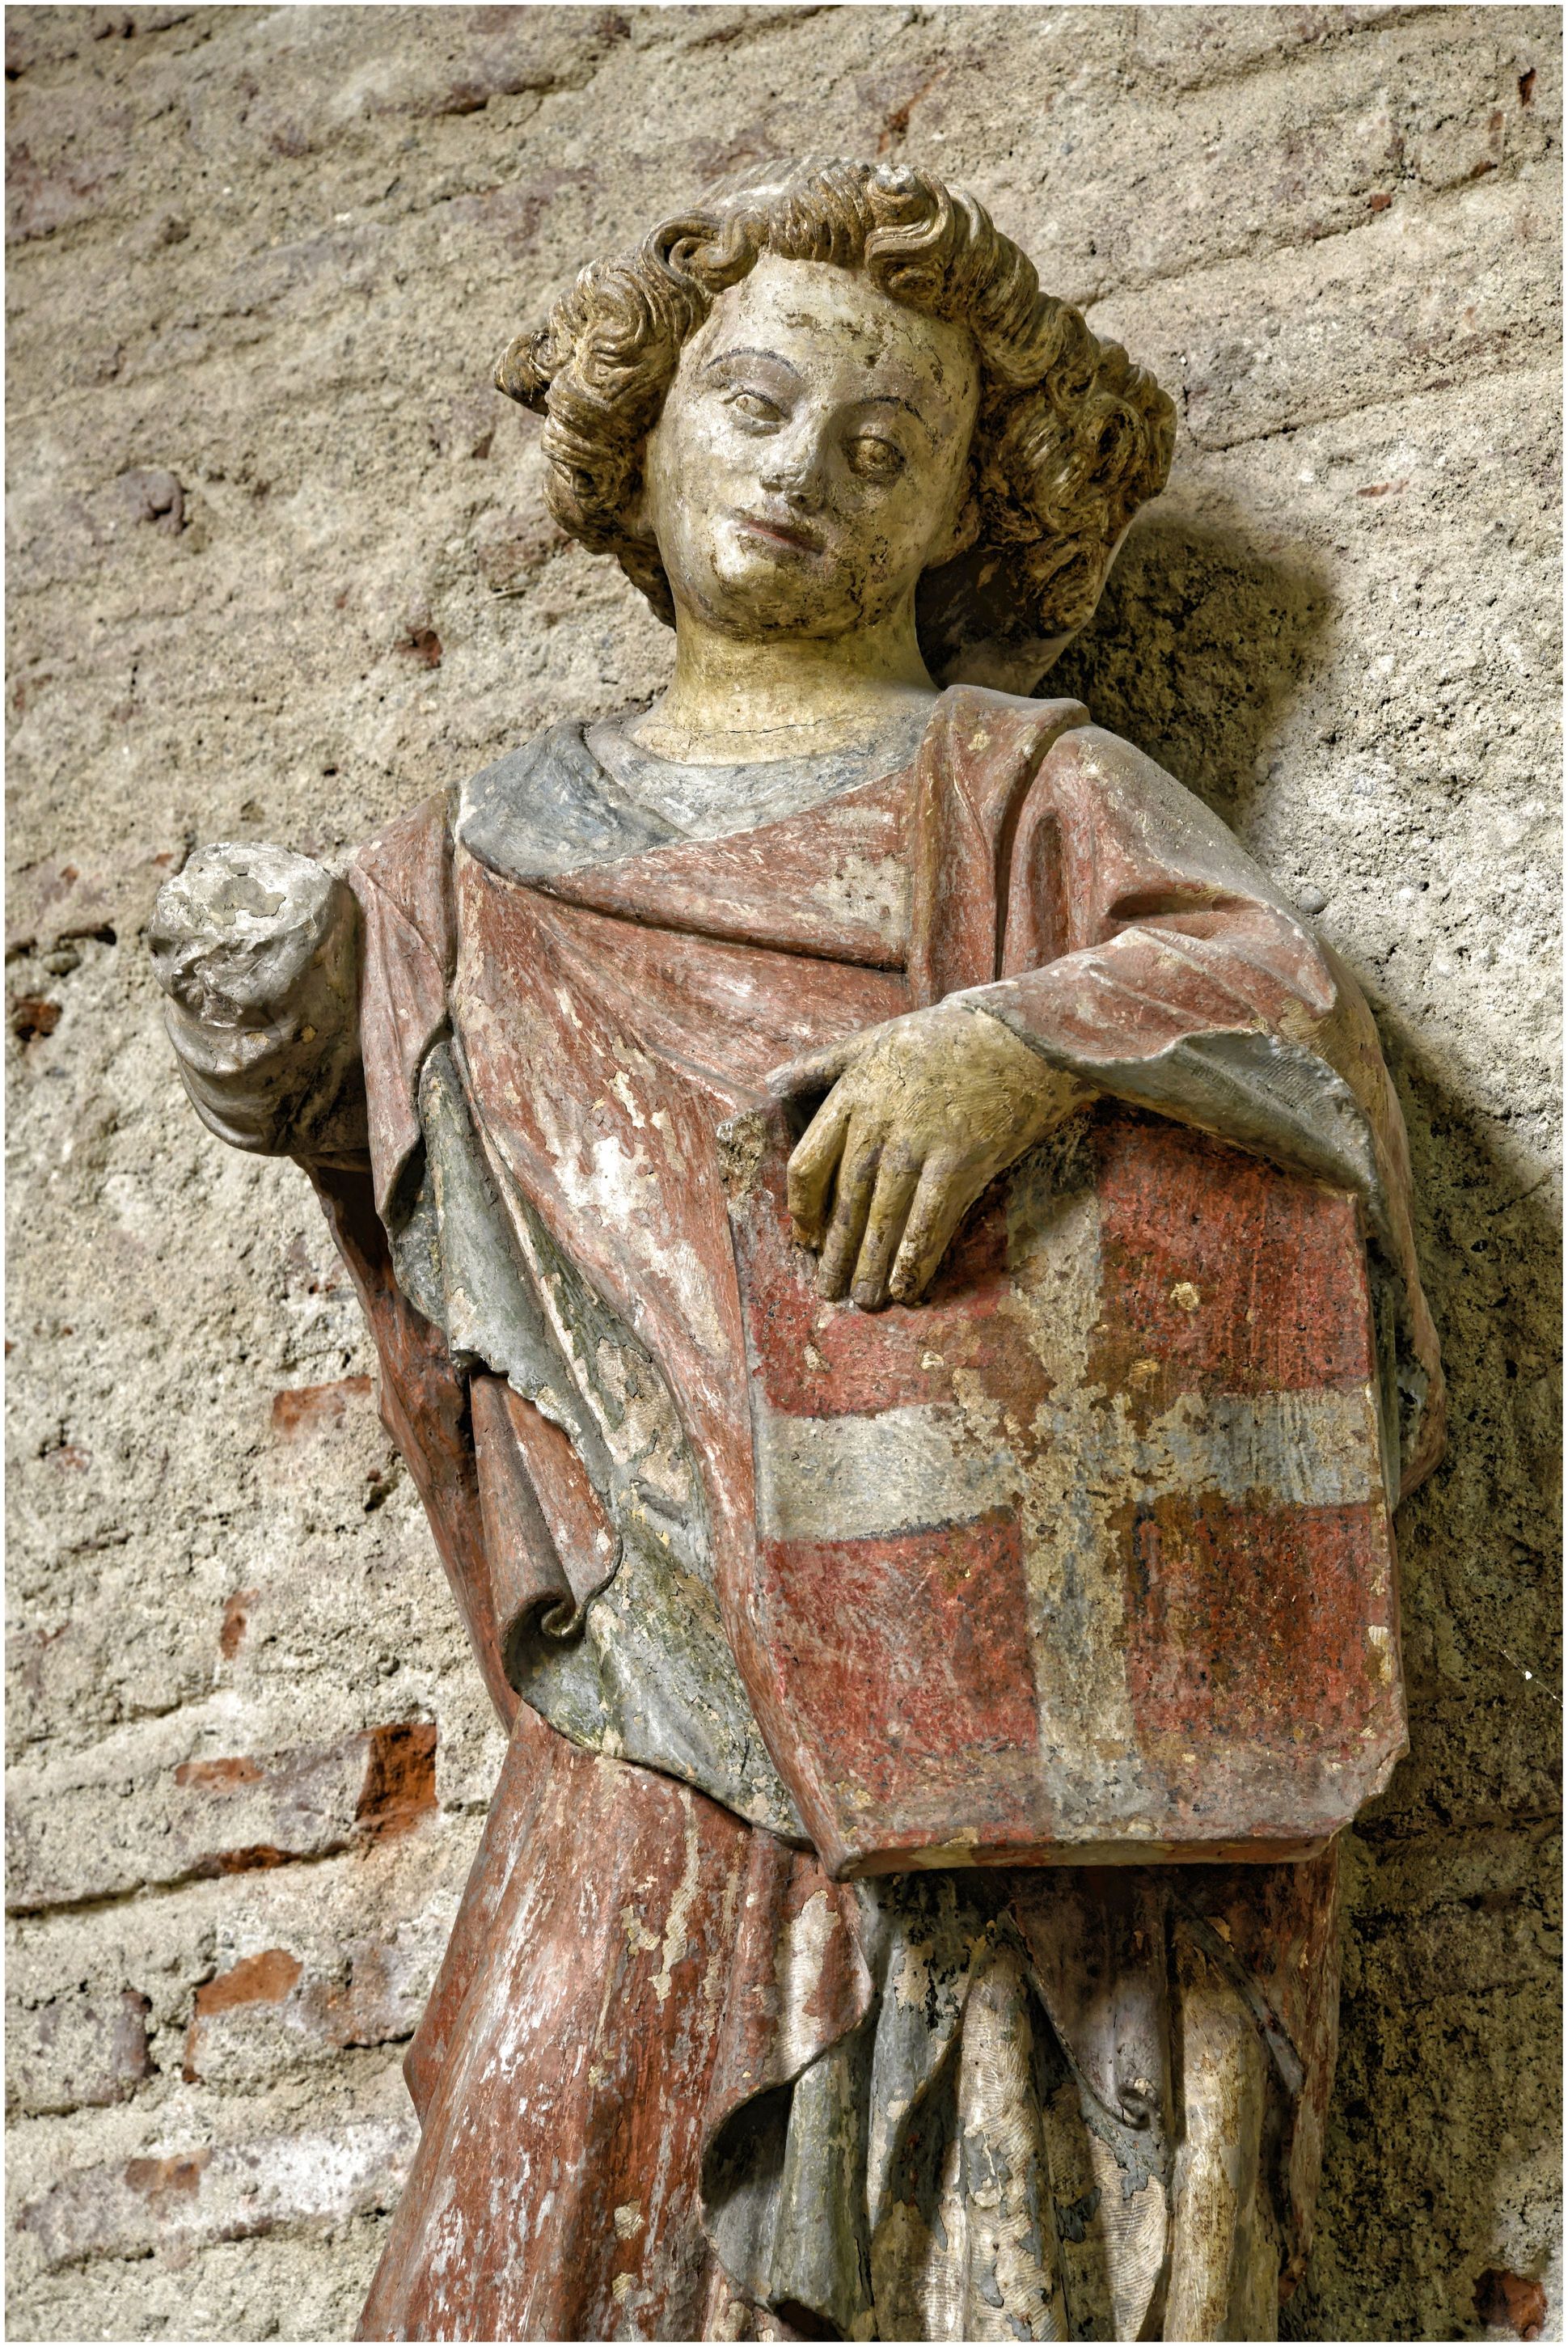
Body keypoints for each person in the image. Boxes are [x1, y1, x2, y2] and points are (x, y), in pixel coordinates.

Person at [152, 159, 1442, 2344]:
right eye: (748, 405)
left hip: (980, 1703)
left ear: (958, 516)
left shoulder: (1022, 790)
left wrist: (1019, 1041)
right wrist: (273, 1018)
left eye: (881, 448)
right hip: (648, 1710)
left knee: (987, 2232)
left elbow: (1283, 1016)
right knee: (539, 2155)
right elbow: (386, 1160)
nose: (796, 475)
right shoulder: (463, 862)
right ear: (640, 432)